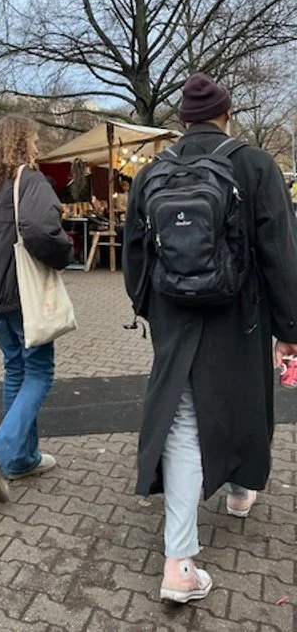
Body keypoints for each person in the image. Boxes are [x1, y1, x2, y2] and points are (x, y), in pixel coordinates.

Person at [123, 72, 297, 603]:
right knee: (245, 402)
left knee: (182, 418)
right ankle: (241, 494)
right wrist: (289, 329)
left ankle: (179, 561)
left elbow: (136, 255)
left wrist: (149, 308)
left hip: (175, 315)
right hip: (241, 315)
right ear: (226, 114)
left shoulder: (151, 172)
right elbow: (280, 252)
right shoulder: (255, 164)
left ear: (181, 121)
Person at [0, 115, 73, 503]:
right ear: (22, 144)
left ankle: (23, 458)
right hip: (23, 294)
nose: (38, 148)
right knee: (39, 372)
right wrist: (64, 255)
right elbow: (43, 230)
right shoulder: (30, 181)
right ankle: (0, 450)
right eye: (35, 141)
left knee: (15, 370)